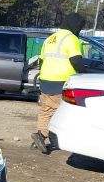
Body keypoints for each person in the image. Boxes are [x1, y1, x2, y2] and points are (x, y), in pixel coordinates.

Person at [32, 13, 86, 154]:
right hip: (62, 81)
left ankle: (39, 136)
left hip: (46, 79)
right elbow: (76, 61)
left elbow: (42, 60)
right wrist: (85, 73)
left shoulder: (50, 38)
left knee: (46, 109)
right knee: (61, 111)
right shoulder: (72, 39)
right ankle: (49, 136)